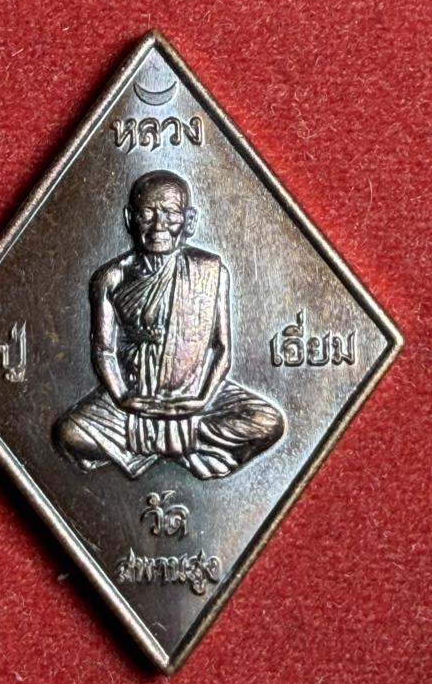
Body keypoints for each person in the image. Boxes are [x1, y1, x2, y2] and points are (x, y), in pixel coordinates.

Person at [54, 170, 284, 479]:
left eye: (171, 214)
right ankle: (184, 445)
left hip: (194, 395)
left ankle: (166, 442)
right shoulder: (111, 277)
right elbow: (104, 350)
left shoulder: (211, 271)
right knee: (68, 433)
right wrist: (122, 397)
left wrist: (202, 398)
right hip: (135, 396)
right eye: (147, 214)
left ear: (189, 220)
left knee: (268, 421)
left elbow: (222, 349)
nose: (159, 226)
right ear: (130, 219)